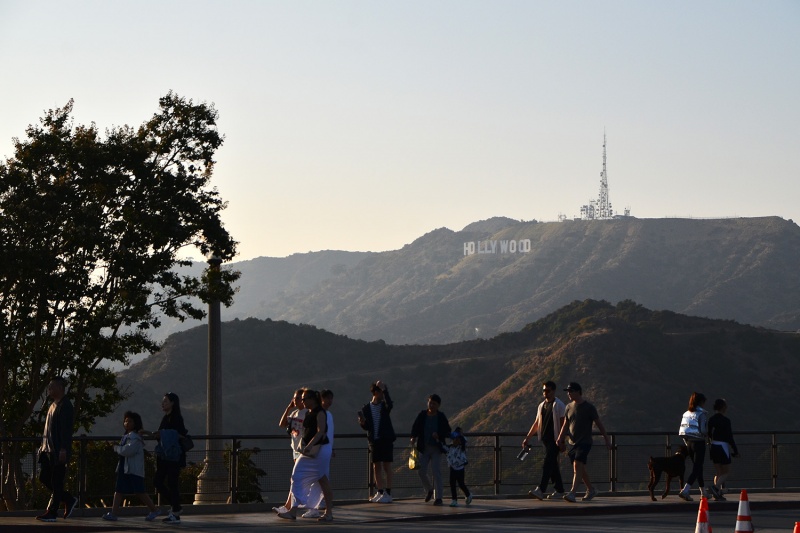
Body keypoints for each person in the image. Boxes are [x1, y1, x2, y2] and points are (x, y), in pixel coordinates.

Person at [277, 389, 333, 522]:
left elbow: (321, 432)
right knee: (297, 476)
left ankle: (328, 512)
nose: (302, 401)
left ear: (312, 399)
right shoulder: (308, 413)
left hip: (318, 450)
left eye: (304, 399)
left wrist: (308, 446)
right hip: (309, 451)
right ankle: (293, 510)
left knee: (322, 480)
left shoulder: (320, 412)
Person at [556, 382, 611, 503]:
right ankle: (591, 489)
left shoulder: (589, 407)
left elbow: (599, 424)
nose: (569, 394)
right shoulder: (568, 407)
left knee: (577, 465)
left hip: (585, 442)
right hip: (572, 442)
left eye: (571, 391)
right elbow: (566, 424)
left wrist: (607, 439)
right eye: (568, 392)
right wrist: (560, 438)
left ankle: (572, 493)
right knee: (579, 468)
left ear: (578, 392)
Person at [102, 412, 160, 522]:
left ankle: (154, 509)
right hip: (124, 467)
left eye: (130, 421)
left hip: (133, 469)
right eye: (125, 421)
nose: (127, 423)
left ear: (135, 423)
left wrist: (116, 448)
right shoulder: (126, 437)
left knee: (139, 491)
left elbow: (127, 451)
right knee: (118, 490)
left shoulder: (135, 438)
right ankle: (114, 513)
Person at [36, 377, 78, 522]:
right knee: (45, 478)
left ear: (60, 388)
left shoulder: (65, 406)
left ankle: (53, 512)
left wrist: (63, 449)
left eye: (52, 387)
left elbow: (66, 431)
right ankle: (68, 499)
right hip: (47, 449)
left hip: (58, 450)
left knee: (57, 481)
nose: (49, 389)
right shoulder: (53, 404)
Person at [143, 392, 189, 524]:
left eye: (166, 401)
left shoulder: (177, 418)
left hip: (174, 456)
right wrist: (146, 432)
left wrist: (166, 434)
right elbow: (159, 435)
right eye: (163, 401)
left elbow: (180, 435)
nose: (163, 403)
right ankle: (176, 506)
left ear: (173, 403)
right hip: (163, 456)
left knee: (172, 484)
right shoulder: (165, 418)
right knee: (157, 481)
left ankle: (175, 512)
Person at [523, 380, 567, 501]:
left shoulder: (559, 405)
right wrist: (528, 437)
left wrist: (562, 440)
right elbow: (537, 423)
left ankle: (541, 489)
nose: (545, 393)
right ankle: (559, 490)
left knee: (547, 464)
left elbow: (564, 423)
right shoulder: (541, 405)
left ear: (553, 391)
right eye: (543, 390)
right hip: (545, 440)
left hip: (555, 440)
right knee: (552, 465)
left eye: (547, 390)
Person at [357, 380, 396, 503]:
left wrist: (385, 389)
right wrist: (362, 423)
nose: (382, 394)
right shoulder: (366, 408)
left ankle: (388, 493)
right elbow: (367, 427)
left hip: (386, 440)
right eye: (380, 391)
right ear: (375, 392)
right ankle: (380, 491)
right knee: (376, 466)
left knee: (387, 466)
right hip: (374, 441)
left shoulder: (384, 406)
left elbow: (390, 405)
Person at [410, 393, 452, 505]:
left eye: (434, 403)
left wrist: (439, 435)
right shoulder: (423, 415)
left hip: (436, 448)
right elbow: (415, 427)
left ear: (438, 405)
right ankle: (429, 489)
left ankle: (439, 498)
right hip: (424, 448)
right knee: (421, 471)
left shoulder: (441, 416)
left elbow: (448, 430)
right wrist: (413, 436)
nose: (431, 405)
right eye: (430, 402)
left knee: (436, 471)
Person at [273, 389, 307, 515]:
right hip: (295, 449)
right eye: (294, 398)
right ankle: (289, 506)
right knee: (297, 479)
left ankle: (290, 507)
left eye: (297, 398)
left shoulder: (307, 414)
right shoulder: (294, 413)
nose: (295, 400)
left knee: (296, 479)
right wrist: (288, 408)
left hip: (302, 450)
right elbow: (282, 424)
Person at [304, 389, 335, 518]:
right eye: (327, 398)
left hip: (321, 451)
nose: (330, 401)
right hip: (320, 450)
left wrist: (330, 448)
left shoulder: (326, 415)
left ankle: (317, 507)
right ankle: (315, 507)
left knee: (321, 479)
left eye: (331, 398)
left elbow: (326, 433)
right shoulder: (319, 414)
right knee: (319, 479)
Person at [677, 392, 709, 501]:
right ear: (701, 402)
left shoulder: (686, 413)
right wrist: (708, 435)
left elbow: (682, 431)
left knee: (698, 467)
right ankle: (685, 490)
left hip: (689, 443)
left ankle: (703, 492)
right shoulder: (702, 414)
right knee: (697, 468)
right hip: (699, 443)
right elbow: (703, 430)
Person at [707, 398, 737, 501]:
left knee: (718, 472)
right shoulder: (726, 421)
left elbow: (708, 433)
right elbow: (730, 437)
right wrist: (735, 450)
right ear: (723, 407)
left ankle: (717, 493)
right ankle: (715, 488)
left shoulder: (711, 419)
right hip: (723, 446)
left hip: (713, 446)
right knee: (726, 472)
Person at [442, 427, 472, 507]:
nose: (456, 440)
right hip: (453, 468)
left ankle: (468, 494)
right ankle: (454, 500)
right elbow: (443, 447)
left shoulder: (462, 446)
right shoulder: (451, 447)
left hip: (460, 468)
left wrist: (459, 435)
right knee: (452, 484)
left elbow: (463, 440)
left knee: (461, 484)